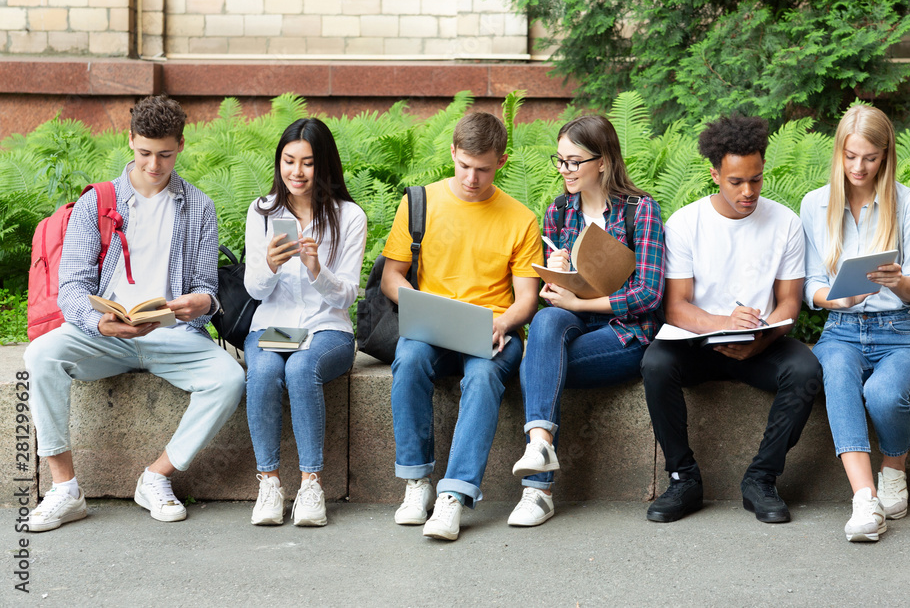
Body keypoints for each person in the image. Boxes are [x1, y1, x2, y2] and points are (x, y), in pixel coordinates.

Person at [23, 95, 245, 531]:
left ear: (181, 145)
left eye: (164, 154)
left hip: (174, 335)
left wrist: (202, 302)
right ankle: (65, 489)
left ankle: (156, 476)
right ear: (130, 141)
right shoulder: (98, 203)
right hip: (105, 333)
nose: (153, 165)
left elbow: (205, 286)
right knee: (39, 356)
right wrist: (98, 322)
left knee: (230, 378)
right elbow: (72, 288)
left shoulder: (198, 206)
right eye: (144, 153)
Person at [641, 114, 823, 524]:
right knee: (655, 364)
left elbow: (789, 303)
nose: (748, 191)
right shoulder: (686, 223)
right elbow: (676, 307)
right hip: (697, 342)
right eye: (736, 181)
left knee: (806, 369)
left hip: (761, 344)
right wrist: (725, 324)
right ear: (714, 175)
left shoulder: (785, 223)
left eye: (756, 180)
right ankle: (682, 478)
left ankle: (761, 479)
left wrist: (759, 339)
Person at [381, 111, 543, 541]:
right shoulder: (421, 202)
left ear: (502, 162)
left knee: (484, 374)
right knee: (409, 357)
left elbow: (526, 298)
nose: (472, 178)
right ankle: (417, 483)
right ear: (453, 152)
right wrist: (419, 304)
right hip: (434, 327)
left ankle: (453, 497)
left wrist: (502, 322)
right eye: (465, 166)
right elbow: (391, 277)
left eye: (483, 169)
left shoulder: (520, 218)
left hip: (494, 329)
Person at [508, 115, 665, 527]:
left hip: (625, 334)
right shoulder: (558, 212)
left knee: (536, 366)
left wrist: (579, 305)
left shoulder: (639, 211)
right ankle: (541, 446)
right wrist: (555, 272)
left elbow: (648, 294)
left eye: (574, 161)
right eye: (559, 161)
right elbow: (554, 300)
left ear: (603, 161)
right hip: (571, 327)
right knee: (545, 325)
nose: (565, 171)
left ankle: (537, 491)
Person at [800, 104, 910, 542]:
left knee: (882, 392)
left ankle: (894, 466)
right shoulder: (815, 204)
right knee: (837, 374)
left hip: (900, 331)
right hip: (840, 329)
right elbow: (812, 288)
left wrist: (899, 283)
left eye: (870, 158)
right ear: (838, 151)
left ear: (886, 155)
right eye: (850, 156)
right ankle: (865, 500)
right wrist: (843, 295)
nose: (859, 167)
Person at [243, 118, 367, 527]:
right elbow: (255, 290)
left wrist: (317, 269)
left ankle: (311, 484)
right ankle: (270, 484)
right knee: (261, 371)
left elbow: (347, 294)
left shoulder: (349, 217)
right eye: (288, 161)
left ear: (324, 165)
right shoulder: (263, 212)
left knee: (301, 366)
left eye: (308, 163)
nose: (296, 172)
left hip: (325, 328)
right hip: (275, 324)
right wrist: (269, 265)